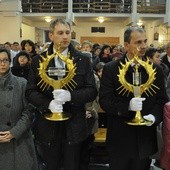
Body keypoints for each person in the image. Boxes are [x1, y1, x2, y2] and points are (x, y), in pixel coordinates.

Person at [25, 18, 97, 170]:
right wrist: (47, 103)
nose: (65, 37)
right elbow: (30, 92)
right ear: (51, 36)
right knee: (51, 166)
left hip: (74, 125)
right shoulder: (38, 61)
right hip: (47, 125)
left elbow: (91, 91)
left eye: (67, 33)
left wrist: (71, 96)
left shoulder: (82, 60)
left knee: (73, 165)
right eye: (60, 33)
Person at [99, 26, 168, 170]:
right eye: (138, 42)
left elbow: (162, 99)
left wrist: (154, 117)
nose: (143, 46)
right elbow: (105, 101)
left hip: (144, 138)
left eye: (145, 41)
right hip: (120, 137)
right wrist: (127, 106)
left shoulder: (156, 70)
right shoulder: (111, 69)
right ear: (126, 45)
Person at [0, 48, 38, 169]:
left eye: (5, 60)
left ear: (10, 61)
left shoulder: (22, 83)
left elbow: (29, 112)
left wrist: (14, 132)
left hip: (19, 141)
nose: (2, 63)